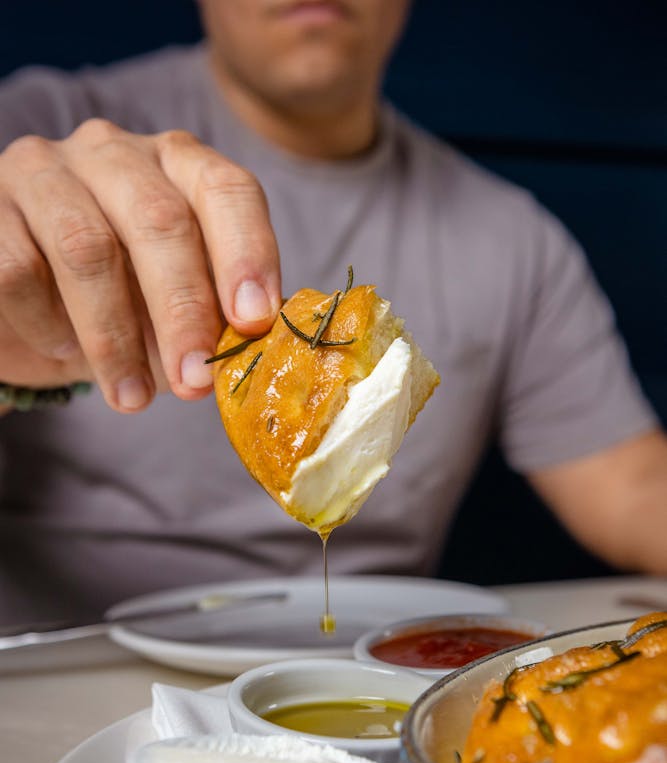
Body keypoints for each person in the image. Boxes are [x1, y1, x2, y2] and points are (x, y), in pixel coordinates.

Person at [0, 0, 665, 625]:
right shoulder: (34, 133)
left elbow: (630, 484)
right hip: (56, 665)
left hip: (363, 674)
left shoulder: (513, 236)